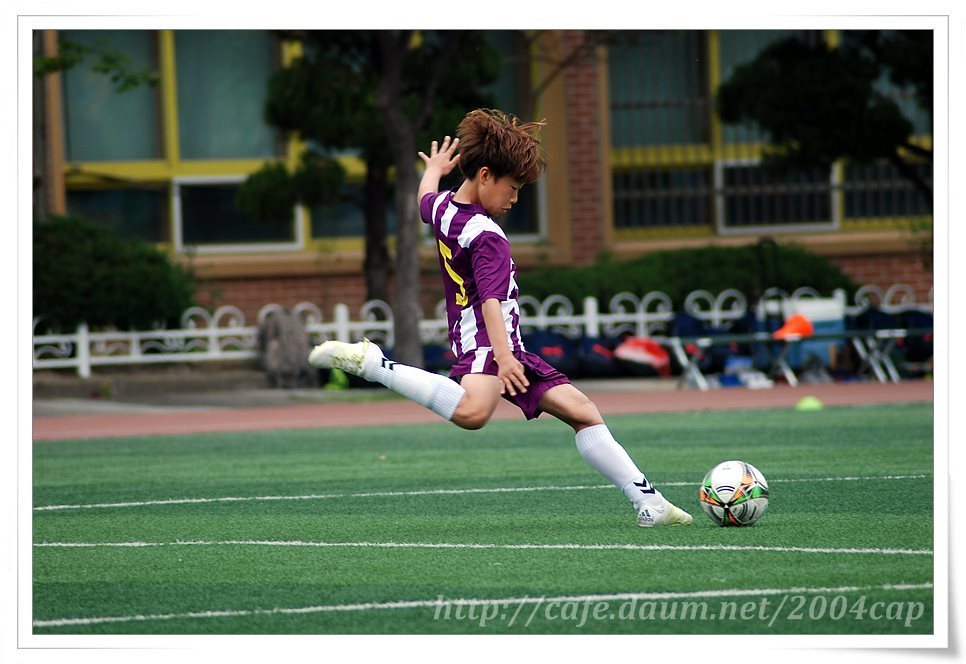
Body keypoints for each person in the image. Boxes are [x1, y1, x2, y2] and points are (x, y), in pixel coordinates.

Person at [309, 108, 691, 527]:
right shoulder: (488, 236)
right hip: (490, 342)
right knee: (473, 414)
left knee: (583, 412)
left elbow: (423, 200)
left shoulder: (445, 209)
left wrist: (433, 170)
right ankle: (374, 364)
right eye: (513, 187)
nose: (514, 199)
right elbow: (491, 301)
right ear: (486, 175)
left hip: (502, 344)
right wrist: (505, 358)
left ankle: (650, 502)